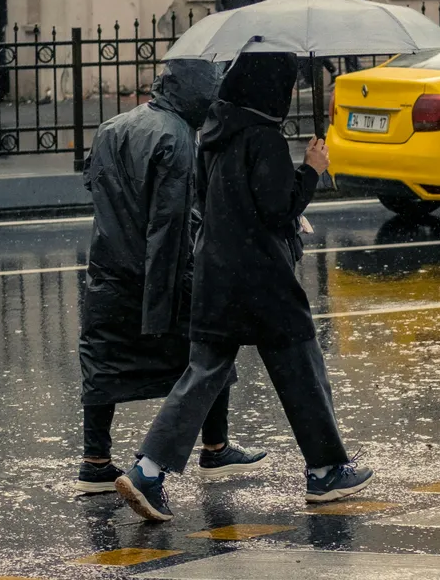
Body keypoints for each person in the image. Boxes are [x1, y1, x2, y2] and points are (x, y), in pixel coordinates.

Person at [114, 53, 373, 523]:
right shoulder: (265, 139)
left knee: (203, 372)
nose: (291, 93)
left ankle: (148, 469)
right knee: (302, 367)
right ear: (269, 88)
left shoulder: (211, 134)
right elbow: (278, 210)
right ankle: (326, 470)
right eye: (288, 84)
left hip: (216, 270)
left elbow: (213, 197)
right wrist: (312, 168)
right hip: (262, 277)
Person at [75, 59, 268, 494]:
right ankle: (215, 447)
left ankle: (96, 461)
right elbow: (172, 222)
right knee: (210, 353)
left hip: (108, 270)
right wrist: (176, 289)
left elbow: (96, 187)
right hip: (160, 275)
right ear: (197, 90)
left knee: (103, 362)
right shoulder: (177, 137)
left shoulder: (112, 127)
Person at [328, 0, 366, 72]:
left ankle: (355, 71)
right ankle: (353, 71)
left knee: (351, 50)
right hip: (346, 19)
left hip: (353, 18)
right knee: (347, 50)